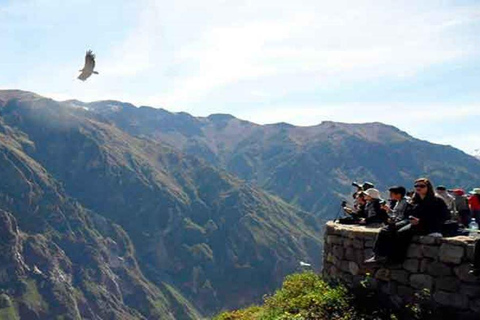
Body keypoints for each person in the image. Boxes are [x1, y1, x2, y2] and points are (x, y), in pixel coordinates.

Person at [365, 178, 449, 264]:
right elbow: (410, 212)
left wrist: (421, 221)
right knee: (386, 229)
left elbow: (444, 216)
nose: (418, 188)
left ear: (428, 187)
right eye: (416, 186)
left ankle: (396, 259)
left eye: (422, 186)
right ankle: (378, 255)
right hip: (412, 221)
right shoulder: (416, 200)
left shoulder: (437, 200)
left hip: (429, 226)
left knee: (402, 233)